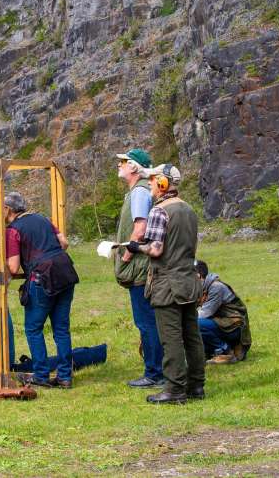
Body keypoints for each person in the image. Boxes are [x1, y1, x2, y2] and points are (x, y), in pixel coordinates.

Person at [127, 164, 205, 404]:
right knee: (192, 336)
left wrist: (135, 247)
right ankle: (196, 386)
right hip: (189, 281)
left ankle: (174, 389)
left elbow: (156, 249)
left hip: (167, 284)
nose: (149, 184)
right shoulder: (189, 209)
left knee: (170, 338)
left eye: (152, 180)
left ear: (162, 183)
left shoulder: (159, 211)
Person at [4, 191, 79, 389]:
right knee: (61, 329)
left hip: (41, 278)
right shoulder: (42, 218)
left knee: (33, 328)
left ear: (8, 209)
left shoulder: (12, 230)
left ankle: (41, 375)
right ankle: (64, 376)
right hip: (64, 271)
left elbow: (12, 267)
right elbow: (64, 243)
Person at [113, 148, 164, 389]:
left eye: (123, 162)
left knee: (146, 322)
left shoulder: (140, 193)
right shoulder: (138, 191)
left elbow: (140, 230)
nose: (119, 165)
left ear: (134, 167)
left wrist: (125, 256)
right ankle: (157, 369)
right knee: (148, 321)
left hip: (140, 268)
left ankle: (154, 373)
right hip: (141, 266)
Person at [195, 260, 252, 364]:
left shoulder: (216, 287)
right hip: (222, 324)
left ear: (198, 276)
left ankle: (226, 351)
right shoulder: (201, 288)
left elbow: (204, 314)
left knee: (195, 323)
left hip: (234, 328)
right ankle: (211, 352)